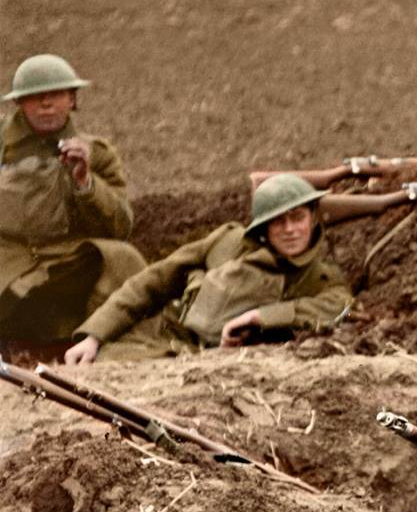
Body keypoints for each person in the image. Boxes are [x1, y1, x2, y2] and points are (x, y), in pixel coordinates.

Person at [62, 175, 351, 363]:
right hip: (164, 341)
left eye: (297, 217)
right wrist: (94, 335)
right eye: (279, 221)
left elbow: (337, 305)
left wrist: (259, 317)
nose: (290, 230)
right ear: (264, 226)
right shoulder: (227, 241)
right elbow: (152, 282)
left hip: (218, 365)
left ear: (313, 218)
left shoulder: (320, 278)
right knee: (94, 367)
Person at [0, 54, 145, 343]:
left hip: (63, 260)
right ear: (19, 103)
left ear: (72, 99)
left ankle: (94, 337)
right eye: (35, 97)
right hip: (6, 257)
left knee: (123, 258)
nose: (46, 104)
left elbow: (120, 228)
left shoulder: (96, 153)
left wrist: (85, 183)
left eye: (56, 94)